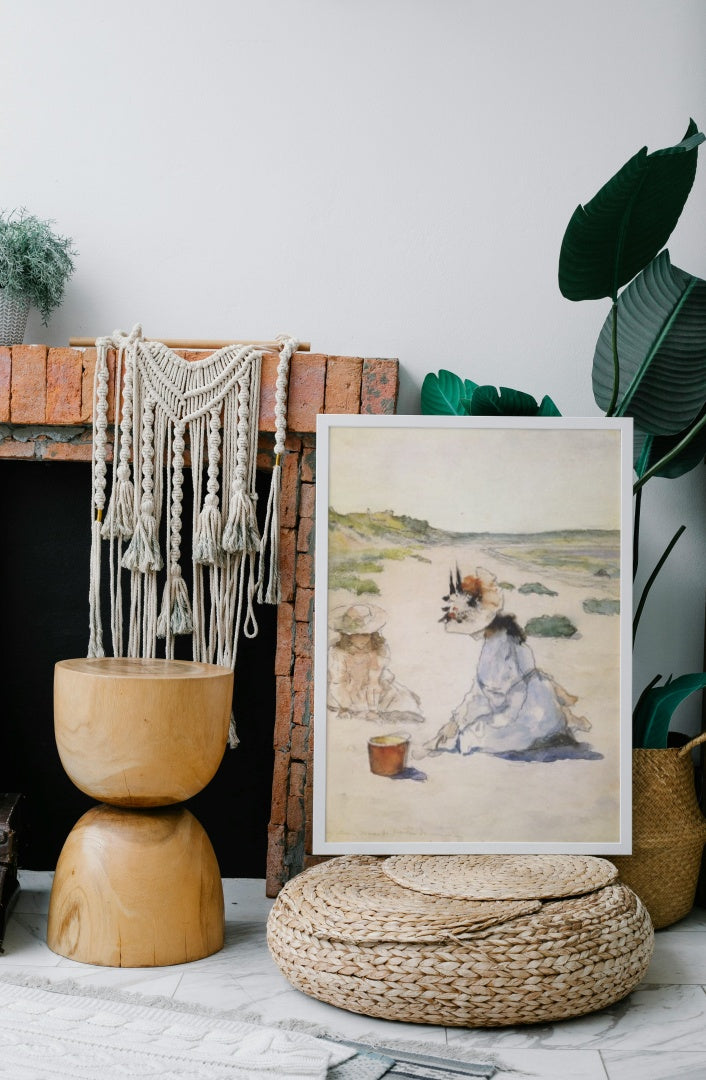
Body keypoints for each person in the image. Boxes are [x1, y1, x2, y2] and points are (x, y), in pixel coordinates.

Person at [427, 568, 589, 756]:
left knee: (469, 739)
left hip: (530, 714)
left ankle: (552, 731)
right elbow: (480, 692)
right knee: (467, 732)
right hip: (517, 708)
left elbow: (514, 698)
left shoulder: (505, 646)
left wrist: (488, 723)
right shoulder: (493, 642)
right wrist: (455, 722)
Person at [327, 603, 424, 724]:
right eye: (355, 635)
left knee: (404, 703)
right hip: (346, 689)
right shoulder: (338, 652)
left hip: (373, 690)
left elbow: (374, 682)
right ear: (347, 636)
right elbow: (338, 682)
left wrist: (373, 710)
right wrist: (344, 707)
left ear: (372, 634)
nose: (361, 640)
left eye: (365, 635)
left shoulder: (378, 650)